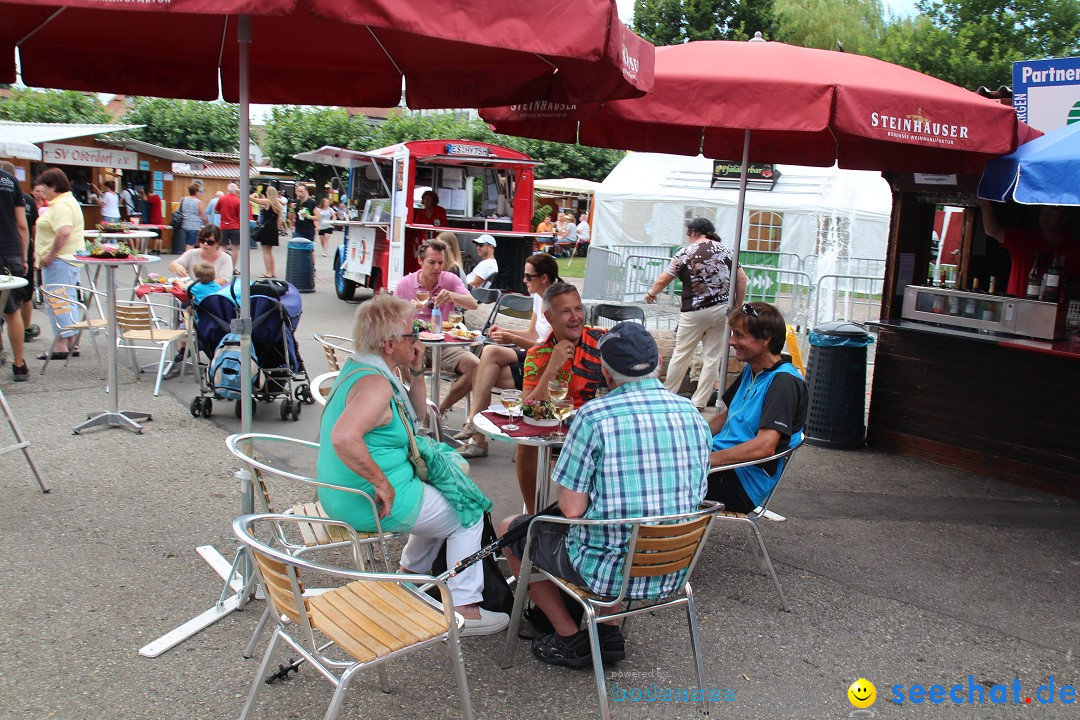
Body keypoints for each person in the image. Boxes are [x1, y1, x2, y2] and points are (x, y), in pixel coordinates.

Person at [499, 321, 710, 667]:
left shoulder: (593, 417)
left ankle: (569, 638)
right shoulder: (693, 414)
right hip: (674, 565)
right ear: (657, 361)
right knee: (619, 522)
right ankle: (607, 633)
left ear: (606, 375)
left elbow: (570, 509)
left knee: (514, 529)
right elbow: (697, 492)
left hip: (606, 569)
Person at [317, 293, 508, 636]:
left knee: (444, 498)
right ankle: (465, 610)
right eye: (412, 334)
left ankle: (409, 577)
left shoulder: (364, 368)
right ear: (390, 344)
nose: (418, 339)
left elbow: (418, 416)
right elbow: (344, 437)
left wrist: (416, 370)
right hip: (367, 498)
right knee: (469, 513)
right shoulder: (375, 384)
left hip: (344, 491)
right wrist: (382, 482)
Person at [707, 302, 807, 513]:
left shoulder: (784, 383)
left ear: (766, 339)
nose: (732, 341)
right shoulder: (752, 369)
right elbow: (726, 417)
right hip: (723, 468)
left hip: (741, 482)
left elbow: (765, 446)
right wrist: (687, 437)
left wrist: (706, 461)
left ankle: (654, 540)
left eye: (740, 336)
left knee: (658, 479)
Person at [456, 253, 559, 458]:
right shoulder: (539, 296)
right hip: (534, 352)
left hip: (547, 360)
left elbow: (550, 347)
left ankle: (475, 428)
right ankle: (475, 431)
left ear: (544, 278)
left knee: (487, 360)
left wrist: (511, 338)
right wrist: (504, 332)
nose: (524, 280)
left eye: (528, 277)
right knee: (487, 363)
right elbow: (532, 333)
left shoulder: (557, 299)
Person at [515, 283, 607, 510]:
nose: (575, 317)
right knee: (526, 444)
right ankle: (534, 515)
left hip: (601, 427)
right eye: (566, 311)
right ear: (549, 316)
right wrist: (552, 368)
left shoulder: (604, 341)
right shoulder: (539, 353)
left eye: (578, 309)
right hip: (559, 430)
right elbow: (529, 408)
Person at [646, 217, 748, 411]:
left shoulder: (686, 252)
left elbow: (663, 279)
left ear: (693, 233)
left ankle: (668, 396)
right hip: (722, 310)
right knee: (713, 357)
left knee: (682, 353)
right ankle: (699, 402)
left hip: (694, 310)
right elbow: (742, 279)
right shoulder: (728, 251)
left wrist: (652, 294)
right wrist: (737, 305)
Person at [393, 239, 479, 417]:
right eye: (432, 262)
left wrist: (452, 296)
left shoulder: (450, 280)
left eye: (441, 263)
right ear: (420, 261)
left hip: (443, 342)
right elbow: (390, 318)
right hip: (414, 342)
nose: (437, 268)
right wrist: (407, 310)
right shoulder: (405, 284)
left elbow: (473, 304)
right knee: (402, 364)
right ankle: (420, 414)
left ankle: (439, 412)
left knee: (477, 366)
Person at [33, 168, 86, 360]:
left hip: (59, 260)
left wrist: (50, 255)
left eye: (44, 187)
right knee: (67, 299)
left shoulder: (61, 205)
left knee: (56, 301)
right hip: (69, 259)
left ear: (53, 186)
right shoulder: (69, 201)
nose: (41, 191)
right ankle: (70, 341)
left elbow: (64, 231)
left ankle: (62, 343)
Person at [976, 199, 1079, 296]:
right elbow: (992, 231)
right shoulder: (1025, 239)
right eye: (1043, 208)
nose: (1045, 215)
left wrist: (1067, 282)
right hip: (1018, 306)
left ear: (1064, 218)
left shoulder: (1073, 248)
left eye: (1052, 210)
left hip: (1055, 309)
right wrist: (986, 206)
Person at [1, 164, 31, 380]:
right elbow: (22, 225)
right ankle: (19, 365)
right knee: (12, 311)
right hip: (9, 251)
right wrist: (24, 256)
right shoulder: (9, 181)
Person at [168, 224, 233, 284]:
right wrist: (177, 267)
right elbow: (172, 265)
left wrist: (201, 287)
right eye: (202, 240)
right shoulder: (192, 253)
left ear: (218, 243)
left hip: (215, 293)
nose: (205, 244)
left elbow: (224, 279)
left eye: (210, 242)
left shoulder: (226, 258)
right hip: (192, 292)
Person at [250, 187, 284, 278]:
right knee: (270, 252)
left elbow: (253, 200)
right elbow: (279, 221)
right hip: (273, 229)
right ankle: (272, 272)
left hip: (266, 229)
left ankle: (268, 272)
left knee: (265, 252)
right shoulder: (277, 204)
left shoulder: (267, 202)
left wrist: (253, 195)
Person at [217, 183, 242, 261]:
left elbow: (216, 210)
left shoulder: (221, 199)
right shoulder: (238, 200)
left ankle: (219, 264)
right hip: (235, 226)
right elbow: (240, 215)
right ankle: (232, 268)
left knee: (222, 246)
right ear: (236, 190)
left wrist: (224, 212)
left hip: (224, 226)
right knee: (235, 248)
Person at [178, 184, 208, 248]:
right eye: (199, 191)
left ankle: (187, 256)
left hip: (184, 225)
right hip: (194, 226)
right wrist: (207, 224)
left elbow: (177, 210)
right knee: (190, 244)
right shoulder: (198, 202)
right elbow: (203, 217)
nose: (199, 193)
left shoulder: (183, 199)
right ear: (196, 192)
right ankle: (189, 257)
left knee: (186, 244)